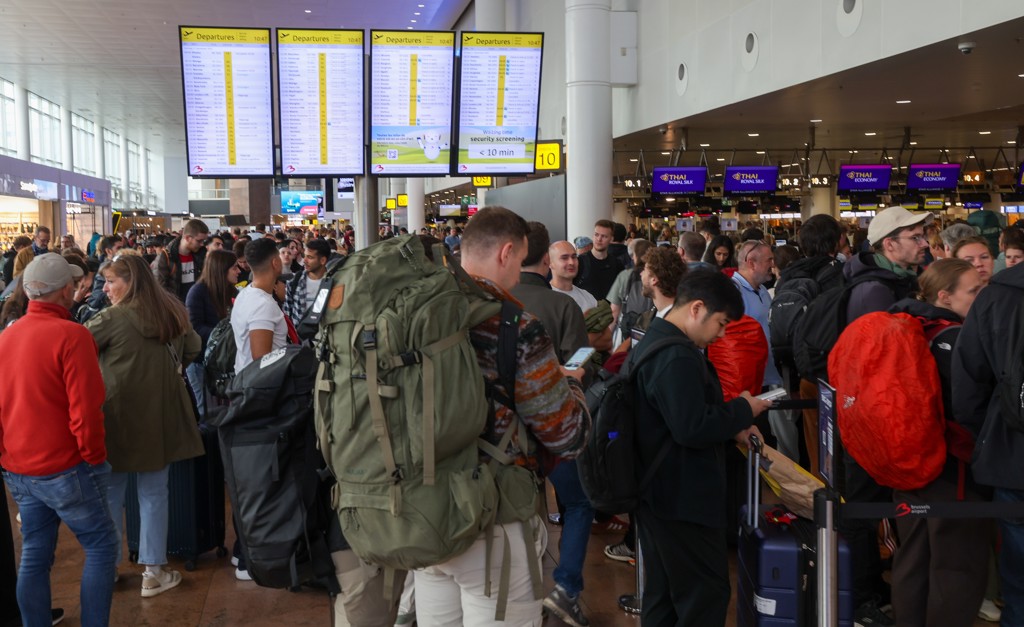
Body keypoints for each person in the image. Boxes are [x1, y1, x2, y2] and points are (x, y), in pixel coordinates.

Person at [414, 206, 590, 626]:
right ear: (507, 252)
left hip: (423, 513)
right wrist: (571, 384)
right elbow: (567, 436)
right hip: (492, 520)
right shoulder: (513, 324)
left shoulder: (420, 314)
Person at [632, 269, 769, 625]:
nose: (722, 334)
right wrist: (742, 409)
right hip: (681, 498)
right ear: (696, 309)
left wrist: (731, 423)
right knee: (704, 594)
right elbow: (691, 427)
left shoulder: (656, 341)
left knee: (663, 595)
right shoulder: (676, 357)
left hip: (658, 493)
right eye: (721, 323)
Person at [0, 253, 117, 626]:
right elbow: (85, 410)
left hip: (18, 467)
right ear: (66, 290)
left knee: (35, 554)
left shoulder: (8, 335)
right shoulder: (72, 335)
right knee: (101, 547)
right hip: (65, 467)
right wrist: (94, 458)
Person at [84, 254, 204, 597]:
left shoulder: (110, 319)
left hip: (117, 418)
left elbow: (76, 350)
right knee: (154, 493)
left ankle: (106, 568)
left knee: (111, 494)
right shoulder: (172, 311)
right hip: (163, 417)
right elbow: (194, 347)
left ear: (130, 282)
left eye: (111, 281)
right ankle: (153, 572)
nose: (105, 288)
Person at [884, 259, 990, 627]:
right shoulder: (956, 338)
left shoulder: (906, 325)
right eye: (973, 291)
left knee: (912, 561)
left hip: (907, 462)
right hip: (952, 471)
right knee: (957, 568)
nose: (982, 296)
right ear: (944, 296)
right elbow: (972, 406)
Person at [842, 206, 931, 626]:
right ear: (889, 244)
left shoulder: (892, 281)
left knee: (875, 503)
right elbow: (872, 366)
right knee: (862, 505)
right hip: (872, 418)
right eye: (915, 236)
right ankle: (860, 596)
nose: (925, 242)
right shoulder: (873, 293)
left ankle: (872, 585)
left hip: (880, 414)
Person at [508, 221, 593, 627]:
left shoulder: (494, 300)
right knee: (577, 504)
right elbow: (580, 372)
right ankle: (565, 588)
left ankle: (520, 591)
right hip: (555, 430)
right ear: (545, 260)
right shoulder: (564, 306)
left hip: (503, 432)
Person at [952, 241, 1024, 627]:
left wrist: (992, 432)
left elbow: (968, 388)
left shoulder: (994, 297)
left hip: (1013, 455)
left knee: (1017, 569)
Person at [185, 249, 239, 417]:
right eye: (234, 268)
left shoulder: (233, 291)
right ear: (221, 269)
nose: (239, 271)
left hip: (224, 363)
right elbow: (194, 328)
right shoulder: (197, 292)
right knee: (207, 412)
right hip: (200, 362)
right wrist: (226, 334)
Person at [550, 240, 612, 352]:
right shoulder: (548, 297)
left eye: (574, 257)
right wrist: (594, 335)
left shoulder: (587, 296)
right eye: (564, 258)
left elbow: (607, 341)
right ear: (550, 263)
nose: (571, 262)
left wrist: (577, 346)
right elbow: (554, 346)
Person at [152, 218, 209, 302]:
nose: (202, 244)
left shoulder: (201, 254)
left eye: (203, 241)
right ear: (187, 238)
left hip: (196, 305)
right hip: (175, 307)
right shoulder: (165, 257)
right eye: (199, 241)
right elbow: (160, 288)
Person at [284, 238, 330, 328]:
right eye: (304, 256)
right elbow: (287, 315)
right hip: (301, 338)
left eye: (310, 257)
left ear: (323, 260)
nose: (305, 260)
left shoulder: (334, 282)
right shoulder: (294, 282)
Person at [574, 219, 624, 300]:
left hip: (609, 311)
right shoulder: (580, 262)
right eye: (596, 235)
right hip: (585, 311)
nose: (599, 239)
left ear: (611, 239)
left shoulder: (617, 264)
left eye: (604, 236)